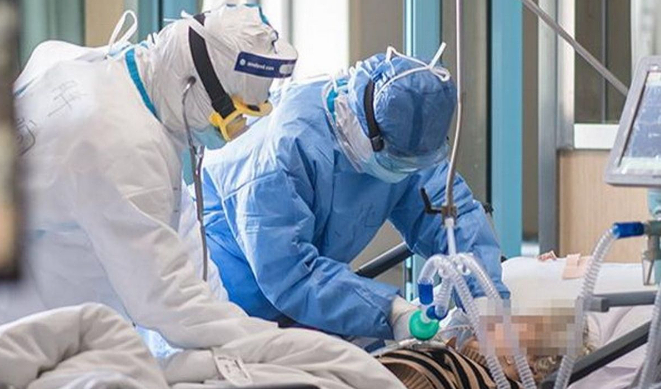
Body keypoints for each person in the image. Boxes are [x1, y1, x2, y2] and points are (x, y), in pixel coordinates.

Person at [0, 5, 298, 350]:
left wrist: (231, 321)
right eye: (232, 118)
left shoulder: (104, 69)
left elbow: (179, 233)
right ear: (190, 86)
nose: (235, 133)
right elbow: (168, 303)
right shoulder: (122, 144)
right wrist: (269, 345)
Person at [200, 47, 508, 341]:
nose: (401, 169)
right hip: (227, 304)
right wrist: (391, 311)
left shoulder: (409, 137)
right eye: (394, 160)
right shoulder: (284, 151)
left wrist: (485, 300)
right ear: (359, 122)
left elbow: (450, 217)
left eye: (412, 163)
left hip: (307, 304)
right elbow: (289, 272)